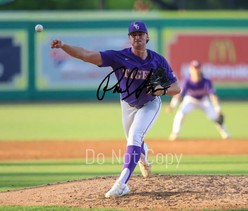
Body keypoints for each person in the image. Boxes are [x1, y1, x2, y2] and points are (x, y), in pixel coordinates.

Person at [51, 21, 180, 198]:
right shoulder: (118, 57)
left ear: (147, 37)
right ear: (129, 39)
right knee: (134, 139)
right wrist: (64, 46)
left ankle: (122, 184)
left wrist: (162, 90)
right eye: (134, 35)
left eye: (141, 34)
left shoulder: (157, 60)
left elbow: (176, 88)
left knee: (134, 137)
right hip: (127, 104)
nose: (138, 38)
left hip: (150, 104)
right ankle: (143, 153)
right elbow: (86, 55)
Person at [166, 60, 230, 141]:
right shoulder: (187, 81)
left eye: (197, 68)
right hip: (190, 100)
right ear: (190, 70)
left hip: (203, 100)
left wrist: (218, 108)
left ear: (200, 69)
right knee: (180, 113)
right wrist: (172, 105)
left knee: (215, 116)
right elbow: (179, 95)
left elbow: (213, 96)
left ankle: (225, 134)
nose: (196, 70)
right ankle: (175, 134)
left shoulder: (206, 81)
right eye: (194, 68)